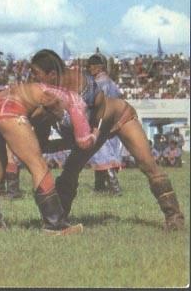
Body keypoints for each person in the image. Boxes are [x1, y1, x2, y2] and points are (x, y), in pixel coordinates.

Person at [28, 49, 185, 231]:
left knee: (147, 164)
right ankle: (57, 222)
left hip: (119, 117)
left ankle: (174, 217)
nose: (32, 79)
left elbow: (100, 108)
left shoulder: (80, 83)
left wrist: (93, 133)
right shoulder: (41, 101)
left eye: (36, 74)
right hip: (89, 134)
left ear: (52, 74)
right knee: (69, 172)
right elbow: (42, 144)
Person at [0, 81, 96, 235]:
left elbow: (41, 137)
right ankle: (55, 226)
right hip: (10, 110)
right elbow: (84, 143)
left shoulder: (30, 88)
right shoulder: (65, 96)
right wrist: (93, 135)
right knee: (39, 166)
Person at [86, 53, 123, 195]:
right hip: (112, 121)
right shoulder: (111, 83)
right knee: (100, 154)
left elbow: (94, 104)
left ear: (98, 67)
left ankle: (115, 188)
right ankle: (100, 187)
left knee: (102, 154)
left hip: (101, 122)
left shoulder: (98, 84)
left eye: (91, 66)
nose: (89, 69)